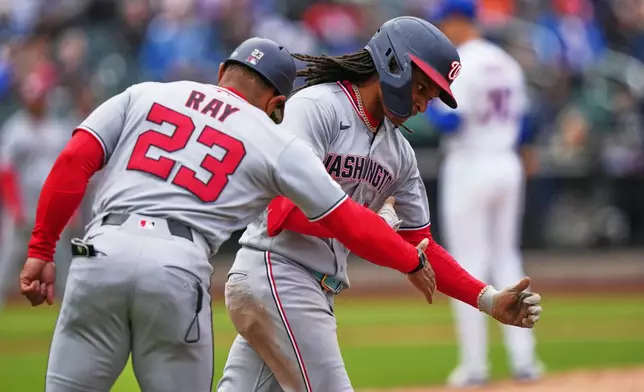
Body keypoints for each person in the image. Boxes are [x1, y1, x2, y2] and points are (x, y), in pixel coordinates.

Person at [18, 37, 435, 392]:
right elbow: (345, 218)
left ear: (222, 71)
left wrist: (40, 249)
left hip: (100, 254)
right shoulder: (271, 137)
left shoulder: (145, 92)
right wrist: (408, 258)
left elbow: (74, 160)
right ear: (277, 105)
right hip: (176, 265)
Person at [217, 17, 543, 392]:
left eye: (432, 96)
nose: (423, 103)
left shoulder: (399, 153)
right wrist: (380, 233)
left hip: (301, 286)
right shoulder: (317, 105)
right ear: (392, 62)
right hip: (278, 273)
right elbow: (283, 213)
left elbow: (421, 247)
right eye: (422, 87)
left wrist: (488, 299)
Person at [426, 0, 545, 386]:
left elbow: (449, 121)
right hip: (505, 160)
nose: (443, 30)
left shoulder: (464, 63)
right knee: (507, 259)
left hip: (471, 163)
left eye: (445, 23)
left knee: (468, 265)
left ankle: (475, 365)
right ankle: (525, 359)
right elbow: (527, 123)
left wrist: (424, 98)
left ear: (459, 21)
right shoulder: (505, 61)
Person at [0, 64, 75, 314]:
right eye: (32, 97)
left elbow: (69, 172)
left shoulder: (59, 129)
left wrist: (71, 209)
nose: (36, 101)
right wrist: (15, 208)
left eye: (40, 96)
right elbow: (6, 173)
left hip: (53, 205)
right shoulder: (14, 128)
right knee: (9, 257)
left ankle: (69, 306)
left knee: (62, 256)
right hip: (24, 204)